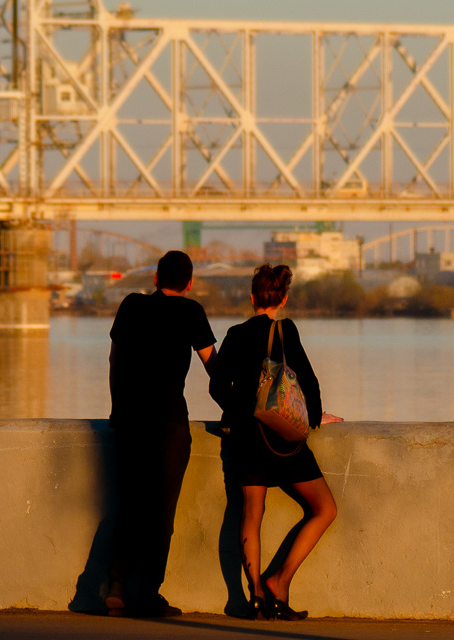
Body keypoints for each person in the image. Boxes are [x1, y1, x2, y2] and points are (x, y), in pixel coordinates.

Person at [208, 263, 342, 620]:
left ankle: (254, 596)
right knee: (325, 509)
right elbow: (308, 381)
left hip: (246, 437)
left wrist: (242, 412)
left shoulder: (235, 334)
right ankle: (278, 582)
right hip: (281, 438)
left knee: (252, 513)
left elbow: (217, 387)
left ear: (252, 298)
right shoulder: (286, 330)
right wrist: (314, 418)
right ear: (283, 299)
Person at [104, 250, 216, 618]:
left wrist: (117, 407)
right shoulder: (191, 312)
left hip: (129, 420)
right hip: (168, 423)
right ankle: (149, 595)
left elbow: (114, 361)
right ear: (189, 283)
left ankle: (116, 587)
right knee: (161, 512)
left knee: (131, 504)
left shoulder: (131, 305)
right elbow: (212, 365)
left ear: (155, 277)